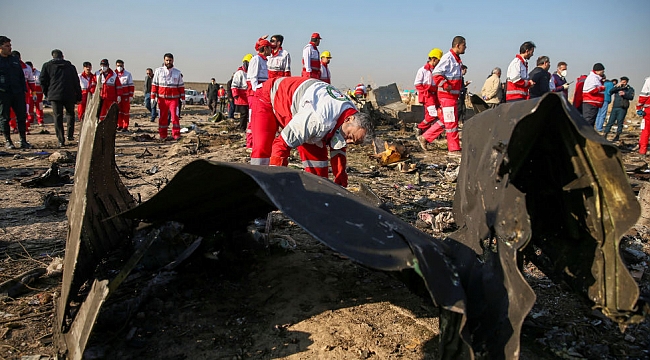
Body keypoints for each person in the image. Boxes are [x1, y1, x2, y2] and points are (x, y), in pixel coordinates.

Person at [250, 76, 372, 187]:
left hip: (300, 105)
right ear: (348, 119)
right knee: (262, 149)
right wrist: (275, 183)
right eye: (350, 136)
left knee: (318, 168)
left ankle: (318, 196)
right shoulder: (318, 119)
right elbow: (281, 145)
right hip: (268, 96)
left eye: (353, 142)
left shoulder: (351, 113)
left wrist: (341, 182)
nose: (348, 141)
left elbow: (339, 149)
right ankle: (256, 186)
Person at [421, 35, 466, 155]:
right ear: (458, 45)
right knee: (451, 122)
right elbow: (436, 73)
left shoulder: (455, 59)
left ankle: (425, 137)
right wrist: (445, 85)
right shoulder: (448, 58)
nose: (465, 48)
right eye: (464, 45)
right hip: (447, 96)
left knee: (446, 121)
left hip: (451, 96)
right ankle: (454, 148)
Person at [40, 49, 82, 147]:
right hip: (69, 94)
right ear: (63, 56)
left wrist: (47, 93)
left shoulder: (47, 66)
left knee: (57, 116)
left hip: (54, 95)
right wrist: (79, 96)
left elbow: (42, 81)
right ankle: (70, 135)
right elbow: (76, 82)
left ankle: (60, 139)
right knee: (70, 114)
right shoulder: (70, 67)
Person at [0, 36, 30, 149]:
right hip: (3, 94)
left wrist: (23, 90)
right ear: (0, 47)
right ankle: (8, 141)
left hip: (17, 92)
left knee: (21, 116)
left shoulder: (14, 59)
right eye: (7, 46)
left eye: (10, 46)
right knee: (4, 118)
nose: (10, 48)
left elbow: (21, 76)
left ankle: (23, 140)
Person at [413, 47, 443, 148]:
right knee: (433, 115)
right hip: (427, 95)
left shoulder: (436, 71)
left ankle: (423, 131)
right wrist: (425, 92)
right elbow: (417, 84)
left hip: (435, 95)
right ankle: (420, 127)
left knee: (431, 116)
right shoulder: (423, 70)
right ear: (434, 59)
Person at [151, 53, 184, 140]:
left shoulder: (177, 72)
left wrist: (183, 98)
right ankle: (163, 134)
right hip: (162, 99)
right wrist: (152, 97)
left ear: (173, 60)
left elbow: (181, 86)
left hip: (174, 99)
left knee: (175, 117)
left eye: (170, 60)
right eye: (167, 60)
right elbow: (154, 85)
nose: (168, 62)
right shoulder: (158, 71)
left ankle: (176, 134)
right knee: (162, 117)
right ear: (164, 60)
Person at [247, 37, 271, 151]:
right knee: (252, 119)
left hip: (262, 92)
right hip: (255, 94)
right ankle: (250, 143)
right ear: (265, 48)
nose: (271, 50)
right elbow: (253, 77)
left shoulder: (265, 60)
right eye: (269, 48)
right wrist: (257, 90)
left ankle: (256, 142)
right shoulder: (256, 59)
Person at [8, 50, 34, 135]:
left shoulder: (27, 67)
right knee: (11, 112)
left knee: (24, 112)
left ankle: (25, 128)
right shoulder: (6, 65)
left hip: (23, 94)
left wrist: (34, 93)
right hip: (9, 92)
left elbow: (31, 82)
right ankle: (14, 127)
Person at [603, 76, 635, 141]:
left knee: (620, 122)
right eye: (621, 81)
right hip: (615, 106)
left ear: (626, 82)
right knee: (610, 121)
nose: (623, 83)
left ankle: (618, 135)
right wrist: (616, 87)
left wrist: (624, 94)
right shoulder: (618, 88)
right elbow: (610, 92)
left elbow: (631, 97)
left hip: (622, 107)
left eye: (624, 82)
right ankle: (605, 134)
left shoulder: (629, 89)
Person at [96, 59, 122, 123]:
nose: (103, 67)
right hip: (101, 98)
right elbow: (93, 85)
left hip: (111, 97)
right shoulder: (97, 74)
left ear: (108, 65)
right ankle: (101, 124)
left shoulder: (114, 75)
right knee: (101, 112)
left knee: (111, 112)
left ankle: (111, 125)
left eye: (104, 65)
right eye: (102, 65)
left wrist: (119, 95)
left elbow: (118, 86)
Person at [581, 63, 606, 127]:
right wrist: (601, 88)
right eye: (602, 71)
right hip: (590, 103)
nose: (603, 72)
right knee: (588, 121)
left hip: (594, 103)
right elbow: (591, 90)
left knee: (591, 121)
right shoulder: (593, 78)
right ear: (597, 71)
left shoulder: (597, 78)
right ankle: (586, 135)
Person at [232, 54, 252, 132]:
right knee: (243, 113)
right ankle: (242, 128)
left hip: (248, 96)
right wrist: (235, 94)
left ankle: (246, 127)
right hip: (241, 97)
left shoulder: (250, 73)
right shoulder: (239, 73)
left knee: (248, 113)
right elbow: (234, 85)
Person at [114, 59, 133, 131]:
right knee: (118, 111)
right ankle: (119, 125)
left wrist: (131, 95)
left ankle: (125, 126)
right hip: (116, 96)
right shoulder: (113, 74)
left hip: (125, 96)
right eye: (118, 66)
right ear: (116, 66)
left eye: (121, 66)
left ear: (123, 65)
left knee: (125, 111)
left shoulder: (127, 74)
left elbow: (131, 85)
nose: (119, 67)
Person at [26, 61, 44, 126]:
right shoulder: (26, 73)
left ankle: (40, 120)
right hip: (30, 94)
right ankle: (30, 120)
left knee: (39, 107)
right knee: (30, 107)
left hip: (39, 95)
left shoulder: (38, 73)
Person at [637, 76, 650, 155]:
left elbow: (643, 96)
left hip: (648, 109)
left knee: (646, 131)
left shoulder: (648, 80)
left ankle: (642, 150)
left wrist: (639, 108)